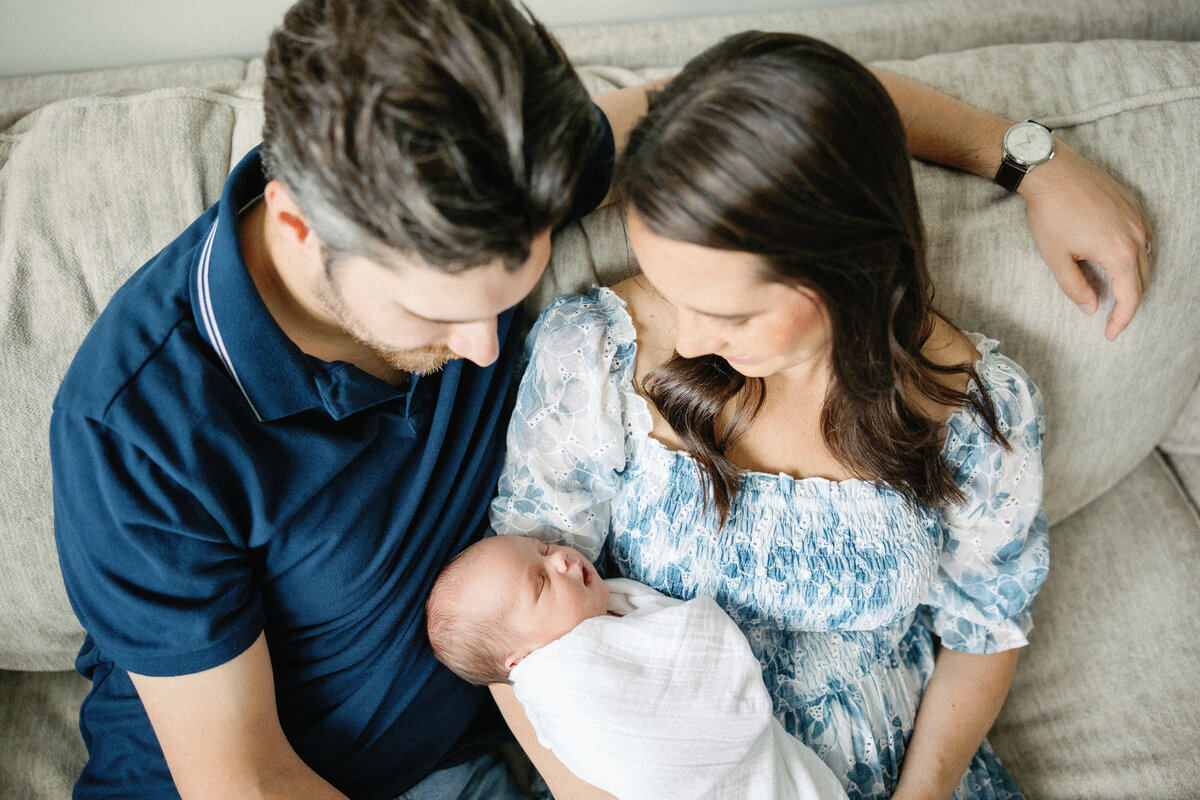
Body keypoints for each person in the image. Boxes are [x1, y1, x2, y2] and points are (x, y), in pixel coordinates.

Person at [49, 0, 1147, 796]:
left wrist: (1027, 160)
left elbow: (772, 113)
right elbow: (241, 779)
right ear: (301, 230)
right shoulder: (139, 427)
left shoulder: (498, 170)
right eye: (441, 317)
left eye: (512, 292)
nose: (486, 354)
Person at [490, 32, 1051, 800]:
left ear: (848, 269)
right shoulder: (595, 352)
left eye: (727, 313)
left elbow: (985, 630)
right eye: (667, 284)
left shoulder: (980, 412)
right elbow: (513, 626)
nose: (685, 339)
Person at [425, 533, 850, 800]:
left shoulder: (608, 603)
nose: (562, 561)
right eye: (540, 581)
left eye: (546, 547)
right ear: (521, 661)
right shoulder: (560, 685)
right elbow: (706, 666)